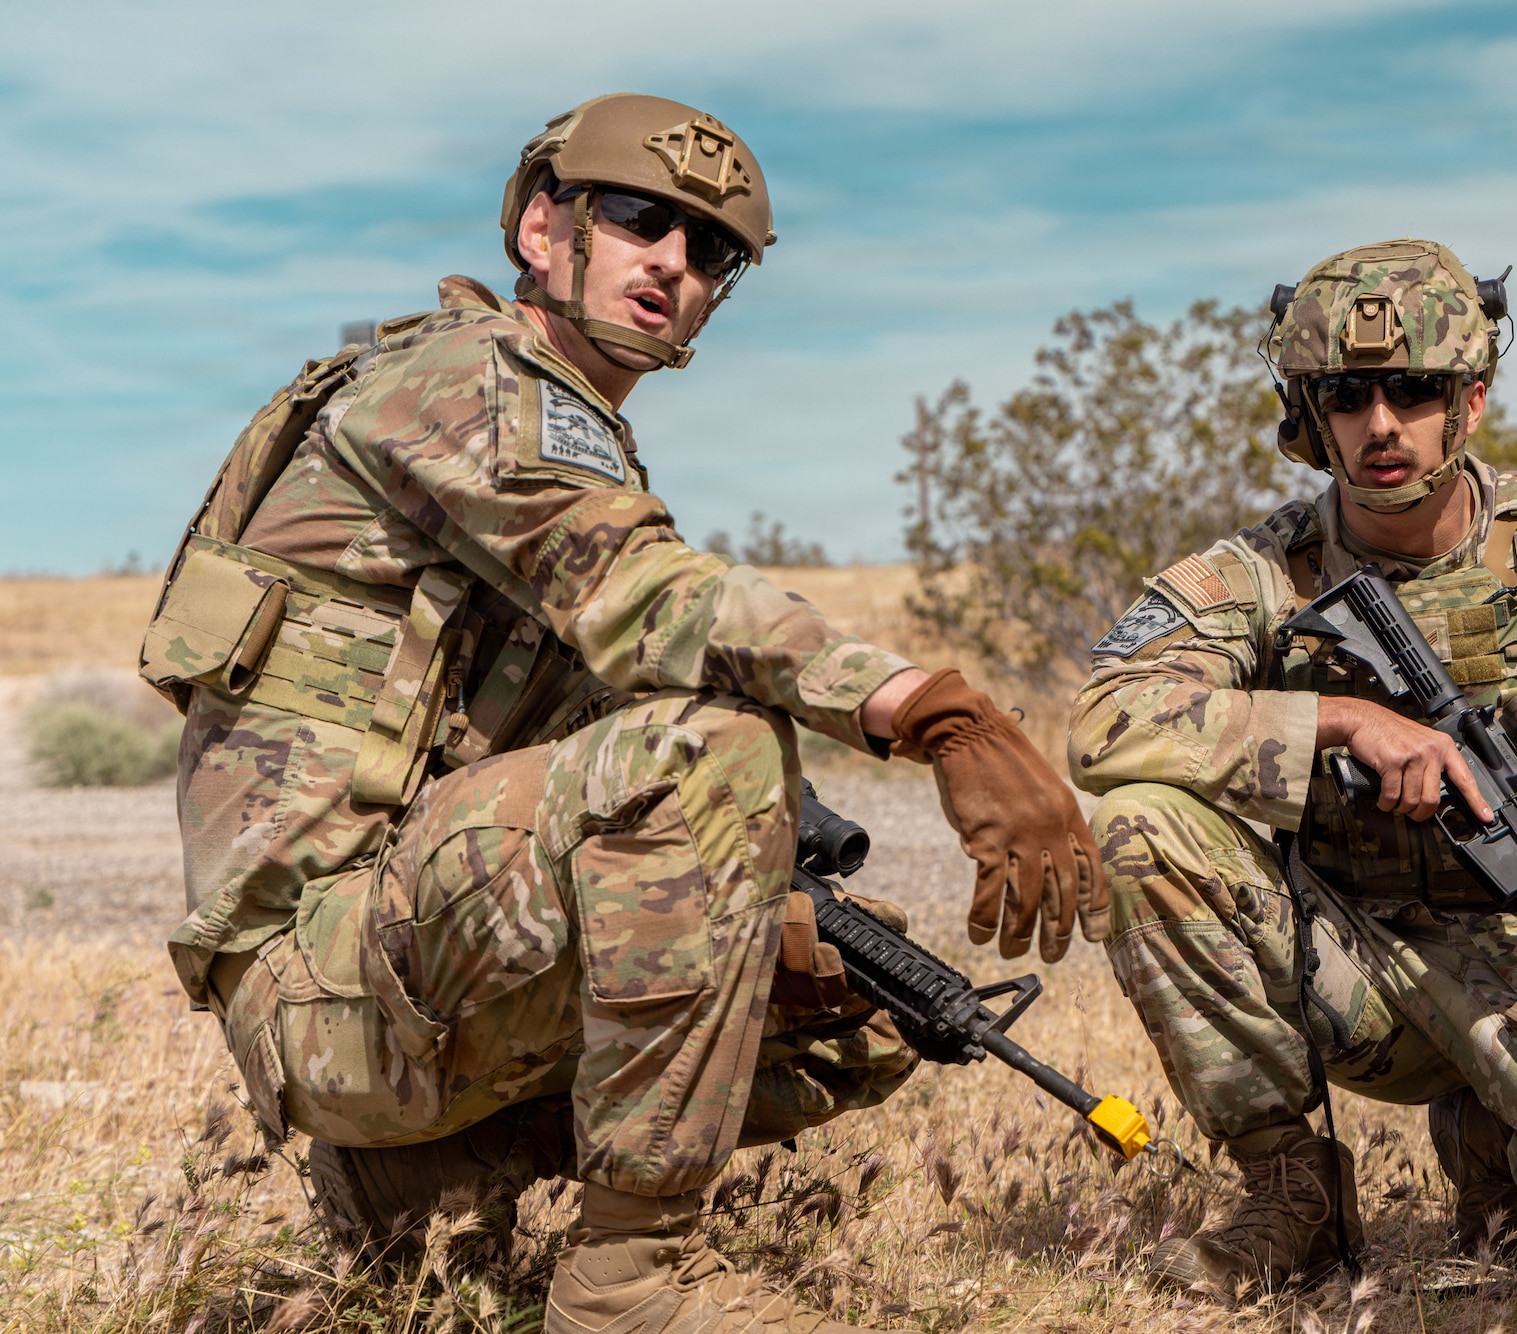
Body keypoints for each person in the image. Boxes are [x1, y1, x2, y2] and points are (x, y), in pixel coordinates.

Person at [140, 93, 1106, 1334]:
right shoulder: (464, 382)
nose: (675, 262)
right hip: (319, 987)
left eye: (713, 252)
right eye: (642, 218)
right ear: (545, 227)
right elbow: (647, 592)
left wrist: (760, 919)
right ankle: (630, 1286)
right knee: (708, 758)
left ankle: (426, 1180)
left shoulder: (575, 436)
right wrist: (933, 711)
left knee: (844, 987)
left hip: (397, 980)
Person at [1068, 238, 1517, 1303]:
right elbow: (1100, 720)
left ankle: (1500, 1155)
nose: (1380, 425)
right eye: (1346, 395)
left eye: (1413, 391)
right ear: (1305, 412)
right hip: (1343, 959)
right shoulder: (1259, 571)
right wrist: (1339, 721)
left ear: (1471, 398)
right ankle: (1292, 1195)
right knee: (1142, 823)